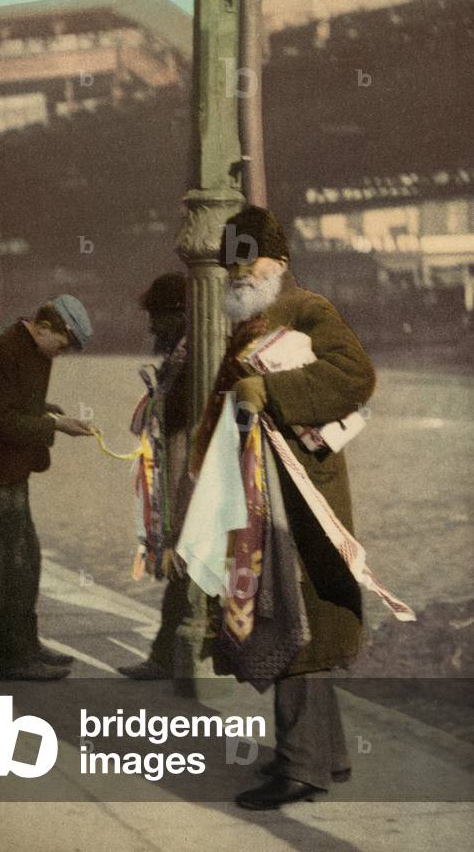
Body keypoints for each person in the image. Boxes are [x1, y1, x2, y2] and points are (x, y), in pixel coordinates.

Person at [191, 206, 376, 810]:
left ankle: (302, 768)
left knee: (295, 623)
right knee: (300, 623)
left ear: (281, 260)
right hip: (268, 494)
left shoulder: (309, 309)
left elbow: (355, 376)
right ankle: (326, 755)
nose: (239, 273)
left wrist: (270, 389)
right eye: (232, 265)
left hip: (301, 500)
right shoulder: (256, 318)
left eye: (250, 261)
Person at [0, 295, 94, 681]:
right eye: (63, 345)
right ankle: (10, 659)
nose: (63, 353)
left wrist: (48, 411)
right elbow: (0, 421)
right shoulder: (1, 353)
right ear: (44, 327)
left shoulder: (30, 349)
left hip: (10, 468)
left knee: (27, 558)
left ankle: (26, 644)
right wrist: (54, 425)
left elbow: (17, 404)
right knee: (6, 565)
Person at [118, 273, 194, 680]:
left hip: (189, 482)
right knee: (183, 564)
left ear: (178, 314)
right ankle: (168, 654)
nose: (150, 327)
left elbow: (181, 413)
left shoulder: (191, 356)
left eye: (156, 317)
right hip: (180, 478)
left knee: (184, 563)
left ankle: (166, 656)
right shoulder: (186, 352)